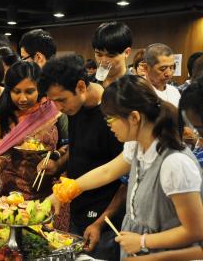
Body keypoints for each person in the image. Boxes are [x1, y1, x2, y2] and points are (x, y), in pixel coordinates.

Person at [49, 74, 203, 259]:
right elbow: (107, 171)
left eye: (110, 119)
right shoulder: (137, 145)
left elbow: (195, 231)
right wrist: (64, 192)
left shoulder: (175, 163)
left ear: (134, 117)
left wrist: (143, 241)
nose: (109, 126)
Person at [39, 54, 124, 260]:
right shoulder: (75, 107)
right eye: (54, 102)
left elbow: (122, 177)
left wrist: (99, 223)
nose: (59, 108)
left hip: (106, 219)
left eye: (61, 100)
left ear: (81, 86)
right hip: (79, 210)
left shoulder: (113, 116)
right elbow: (79, 149)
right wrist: (58, 164)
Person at [0, 60, 60, 200]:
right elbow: (0, 154)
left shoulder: (52, 110)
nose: (23, 98)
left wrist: (56, 159)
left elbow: (67, 145)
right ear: (9, 91)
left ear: (40, 89)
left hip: (50, 192)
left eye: (29, 91)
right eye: (16, 92)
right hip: (13, 196)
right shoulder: (3, 118)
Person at [92, 21, 132, 88]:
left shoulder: (136, 88)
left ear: (127, 52)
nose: (103, 61)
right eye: (99, 55)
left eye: (111, 56)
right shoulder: (90, 82)